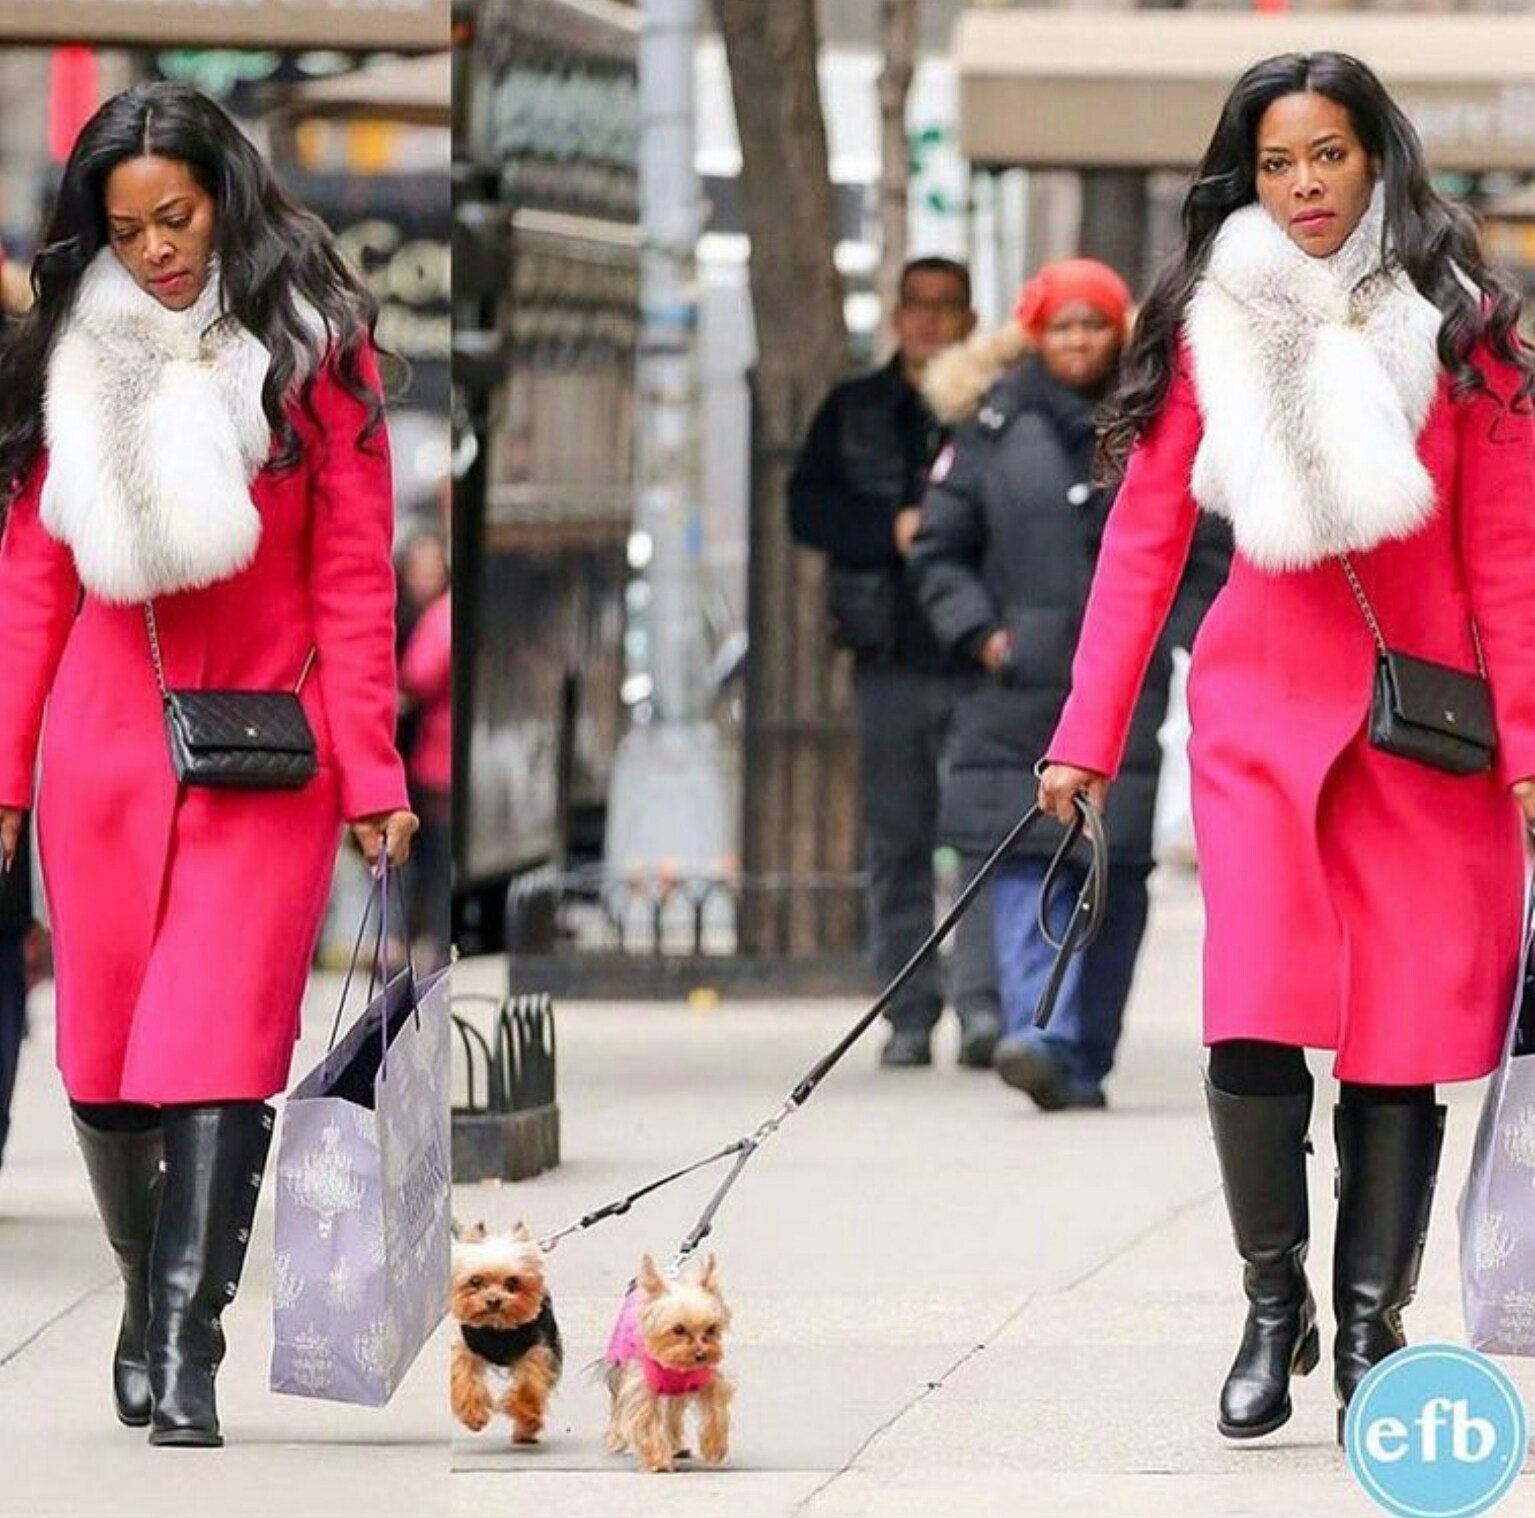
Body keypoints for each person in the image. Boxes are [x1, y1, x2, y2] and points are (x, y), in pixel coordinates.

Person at [1036, 52, 1535, 1442]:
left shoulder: (1462, 322)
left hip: (1423, 725)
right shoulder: (1213, 317)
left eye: (1324, 154)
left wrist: (1526, 747)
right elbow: (1138, 550)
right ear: (1242, 176)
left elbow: (1506, 551)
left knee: (1396, 1036)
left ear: (1373, 156)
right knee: (1250, 1017)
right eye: (1273, 162)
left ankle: (1371, 1326)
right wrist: (1082, 739)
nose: (1301, 185)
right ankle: (1273, 1303)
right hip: (1259, 720)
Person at [0, 83, 418, 1447]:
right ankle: (143, 1288)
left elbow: (355, 583)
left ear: (224, 196)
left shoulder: (314, 349)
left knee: (217, 1043)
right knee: (108, 1058)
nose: (155, 249)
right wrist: (5, 781)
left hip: (274, 744)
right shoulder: (66, 350)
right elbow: (29, 592)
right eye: (123, 228)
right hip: (106, 744)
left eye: (174, 216)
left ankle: (187, 1334)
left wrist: (373, 773)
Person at [912, 261, 1228, 1110]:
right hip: (1016, 686)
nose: (1079, 340)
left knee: (1112, 871)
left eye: (1093, 324)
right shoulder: (988, 425)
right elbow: (939, 549)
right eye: (1062, 326)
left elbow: (1203, 551)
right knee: (1021, 859)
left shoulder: (1157, 418)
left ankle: (1083, 1054)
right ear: (1034, 334)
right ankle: (1038, 1034)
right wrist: (983, 635)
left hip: (1127, 688)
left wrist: (1176, 638)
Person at [790, 256, 1001, 1070]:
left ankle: (984, 1005)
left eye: (945, 307)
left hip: (974, 656)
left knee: (983, 835)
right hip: (885, 650)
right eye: (916, 305)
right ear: (896, 315)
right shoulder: (853, 411)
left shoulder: (989, 408)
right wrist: (889, 528)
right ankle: (909, 1009)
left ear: (967, 317)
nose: (928, 321)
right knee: (896, 840)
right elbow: (807, 508)